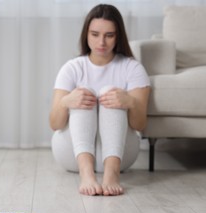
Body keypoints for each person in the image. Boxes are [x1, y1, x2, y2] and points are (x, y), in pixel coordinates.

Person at [49, 4, 150, 196]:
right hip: (71, 154)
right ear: (86, 35)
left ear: (118, 36)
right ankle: (86, 175)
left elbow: (140, 124)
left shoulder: (133, 68)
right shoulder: (72, 68)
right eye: (95, 34)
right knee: (84, 93)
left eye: (109, 35)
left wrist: (130, 102)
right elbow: (55, 124)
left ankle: (111, 175)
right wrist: (66, 102)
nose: (101, 42)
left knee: (110, 93)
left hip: (121, 155)